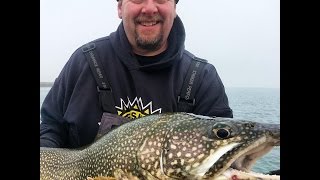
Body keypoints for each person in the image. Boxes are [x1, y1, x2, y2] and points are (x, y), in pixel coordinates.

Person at [40, 0, 233, 148]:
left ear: (174, 8)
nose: (149, 8)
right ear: (120, 8)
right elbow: (51, 126)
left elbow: (226, 150)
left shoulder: (202, 78)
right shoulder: (84, 62)